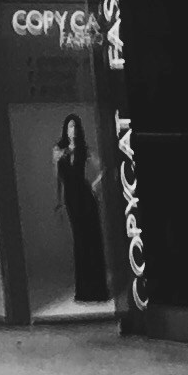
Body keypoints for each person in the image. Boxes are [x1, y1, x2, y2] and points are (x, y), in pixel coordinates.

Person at [55, 113, 109, 303]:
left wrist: (94, 186)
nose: (73, 130)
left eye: (76, 127)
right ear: (65, 129)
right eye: (70, 126)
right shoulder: (58, 151)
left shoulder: (84, 150)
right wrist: (59, 203)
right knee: (80, 241)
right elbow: (58, 180)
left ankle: (97, 290)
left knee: (91, 240)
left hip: (86, 198)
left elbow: (104, 168)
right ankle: (84, 290)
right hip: (71, 200)